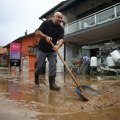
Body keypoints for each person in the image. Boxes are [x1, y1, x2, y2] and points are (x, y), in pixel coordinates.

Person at [34, 12, 64, 91]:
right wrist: (45, 37)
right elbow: (37, 32)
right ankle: (36, 80)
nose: (60, 19)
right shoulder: (46, 23)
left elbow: (61, 39)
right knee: (40, 66)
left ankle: (52, 84)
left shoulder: (61, 29)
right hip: (42, 49)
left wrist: (58, 45)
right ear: (53, 17)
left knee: (53, 66)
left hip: (52, 50)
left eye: (61, 18)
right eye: (58, 17)